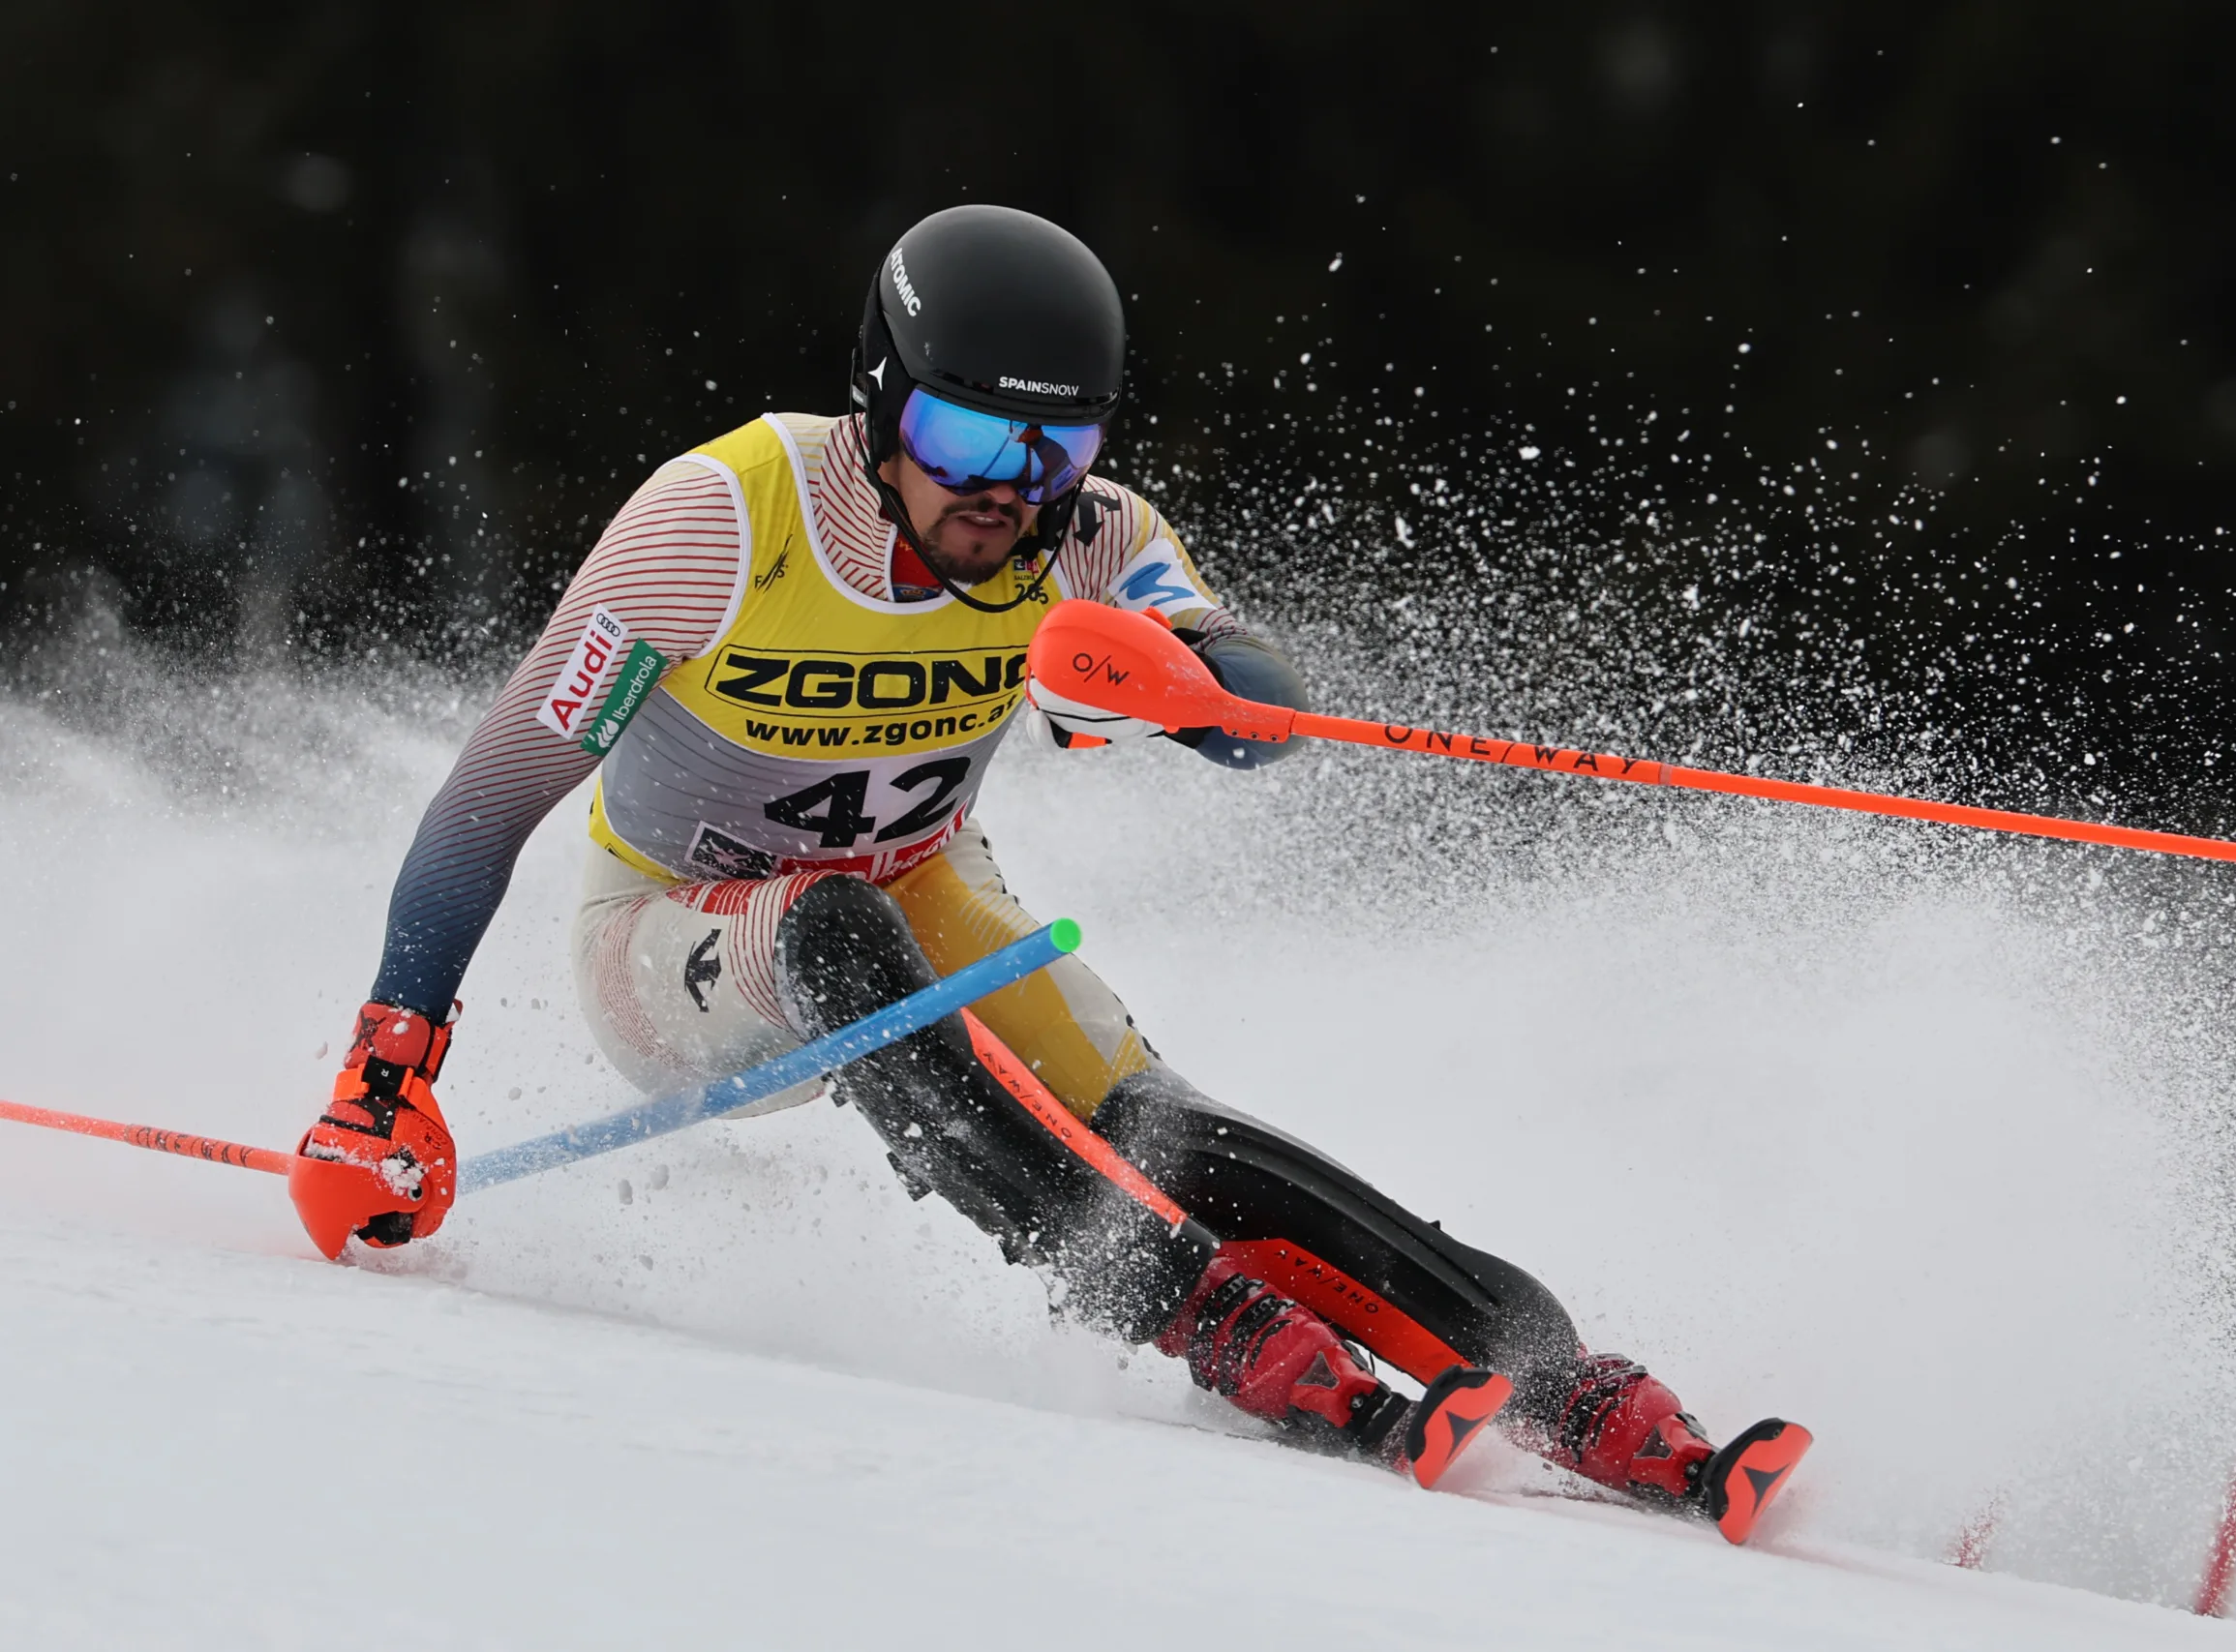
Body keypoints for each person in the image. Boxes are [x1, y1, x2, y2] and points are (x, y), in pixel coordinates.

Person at [301, 204, 1730, 1511]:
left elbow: (1269, 715)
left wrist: (1189, 684)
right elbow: (491, 797)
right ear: (877, 407)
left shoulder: (1085, 539)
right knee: (835, 924)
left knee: (1161, 1125)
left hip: (923, 881)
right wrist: (385, 1073)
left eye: (1054, 452)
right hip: (669, 929)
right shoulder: (724, 520)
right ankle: (1189, 1307)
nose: (1007, 495)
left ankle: (1563, 1377)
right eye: (969, 443)